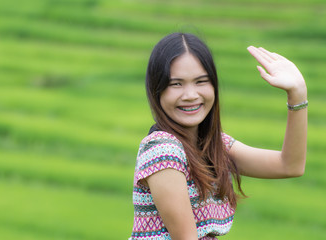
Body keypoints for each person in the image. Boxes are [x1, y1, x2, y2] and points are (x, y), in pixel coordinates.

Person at [129, 33, 307, 240]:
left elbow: (290, 166)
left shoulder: (212, 145)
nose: (190, 95)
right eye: (176, 84)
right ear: (156, 89)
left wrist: (297, 93)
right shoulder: (163, 151)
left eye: (201, 81)